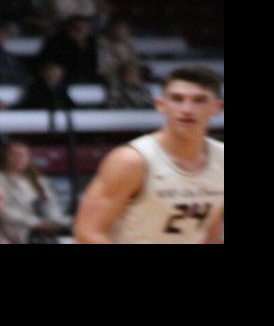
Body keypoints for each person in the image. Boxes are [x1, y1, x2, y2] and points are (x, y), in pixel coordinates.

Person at [73, 66, 224, 244]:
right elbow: (87, 232)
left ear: (217, 108)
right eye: (177, 99)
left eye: (199, 100)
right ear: (161, 105)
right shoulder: (131, 161)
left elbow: (210, 232)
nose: (187, 109)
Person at [0, 139, 70, 240]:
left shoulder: (39, 180)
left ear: (29, 158)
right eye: (13, 154)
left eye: (22, 155)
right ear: (5, 157)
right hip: (13, 233)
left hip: (45, 233)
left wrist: (58, 222)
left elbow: (51, 205)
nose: (18, 158)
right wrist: (35, 223)